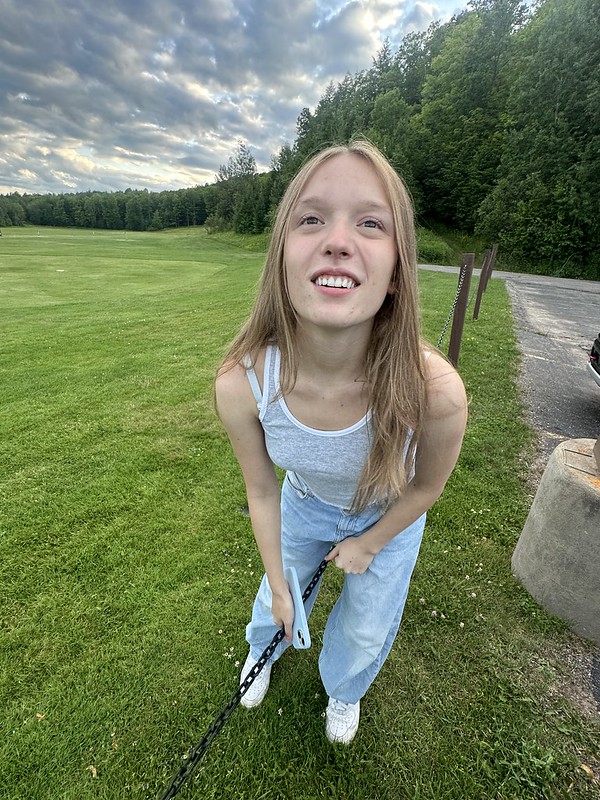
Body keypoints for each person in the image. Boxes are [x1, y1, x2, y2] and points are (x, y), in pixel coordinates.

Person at [214, 139, 467, 745]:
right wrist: (280, 584)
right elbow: (262, 491)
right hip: (303, 504)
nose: (337, 240)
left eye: (370, 223)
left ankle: (345, 689)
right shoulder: (242, 384)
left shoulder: (436, 392)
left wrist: (369, 543)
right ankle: (262, 653)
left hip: (390, 516)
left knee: (364, 625)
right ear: (281, 257)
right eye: (311, 219)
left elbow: (426, 487)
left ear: (397, 271)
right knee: (272, 601)